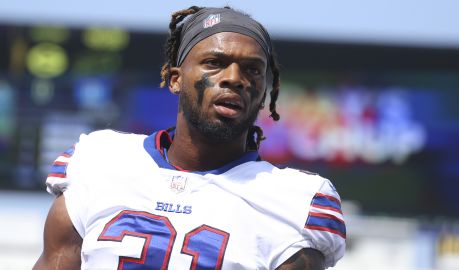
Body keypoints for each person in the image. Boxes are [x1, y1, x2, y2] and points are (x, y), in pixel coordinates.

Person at [33, 6, 346, 270]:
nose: (234, 78)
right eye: (215, 63)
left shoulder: (294, 201)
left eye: (252, 70)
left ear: (264, 93)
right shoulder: (99, 161)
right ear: (175, 79)